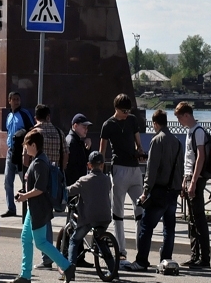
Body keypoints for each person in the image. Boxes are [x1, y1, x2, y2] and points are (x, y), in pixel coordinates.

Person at [12, 130, 76, 283]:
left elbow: (39, 189)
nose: (25, 149)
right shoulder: (39, 160)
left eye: (26, 146)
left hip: (39, 208)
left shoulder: (40, 163)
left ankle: (67, 267)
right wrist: (25, 194)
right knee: (26, 238)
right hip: (34, 207)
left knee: (40, 242)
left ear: (34, 145)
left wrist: (24, 197)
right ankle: (25, 274)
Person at [131, 109, 184, 272]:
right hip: (173, 191)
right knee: (169, 227)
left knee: (146, 226)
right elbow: (180, 168)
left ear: (155, 123)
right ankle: (166, 260)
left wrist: (146, 190)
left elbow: (151, 169)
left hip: (159, 191)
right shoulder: (176, 141)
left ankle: (141, 261)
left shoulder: (157, 140)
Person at [99, 93, 145, 264]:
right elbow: (102, 151)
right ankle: (121, 251)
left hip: (134, 169)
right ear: (116, 109)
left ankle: (142, 250)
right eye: (123, 111)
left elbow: (138, 143)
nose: (126, 113)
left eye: (128, 110)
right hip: (118, 169)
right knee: (118, 213)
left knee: (140, 210)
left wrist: (140, 151)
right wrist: (100, 171)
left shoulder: (132, 120)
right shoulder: (108, 125)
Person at [30, 104, 66, 269]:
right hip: (56, 179)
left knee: (43, 218)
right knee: (49, 215)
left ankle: (48, 257)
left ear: (36, 117)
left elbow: (26, 159)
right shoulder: (59, 132)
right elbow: (66, 155)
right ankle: (53, 256)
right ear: (49, 116)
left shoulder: (34, 133)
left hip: (39, 179)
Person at [175, 101, 210, 268]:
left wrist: (193, 182)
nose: (179, 122)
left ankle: (204, 258)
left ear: (187, 115)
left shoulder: (198, 132)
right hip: (189, 177)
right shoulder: (190, 132)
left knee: (198, 218)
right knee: (192, 219)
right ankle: (194, 255)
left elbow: (200, 157)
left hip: (196, 178)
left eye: (180, 118)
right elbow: (188, 160)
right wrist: (184, 180)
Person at [65, 150, 112, 267]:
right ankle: (112, 268)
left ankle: (70, 269)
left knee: (74, 240)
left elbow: (70, 191)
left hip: (88, 218)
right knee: (100, 240)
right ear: (102, 165)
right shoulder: (107, 180)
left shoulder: (84, 180)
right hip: (105, 217)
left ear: (89, 165)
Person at [3, 92, 34, 217]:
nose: (16, 102)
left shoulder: (24, 114)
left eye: (18, 99)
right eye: (14, 99)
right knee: (7, 181)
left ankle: (32, 206)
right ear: (9, 100)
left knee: (25, 180)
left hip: (22, 153)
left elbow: (32, 130)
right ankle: (11, 208)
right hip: (10, 151)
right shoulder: (9, 116)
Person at [64, 113, 92, 186]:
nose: (86, 130)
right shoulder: (72, 142)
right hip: (73, 184)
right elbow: (72, 166)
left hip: (76, 183)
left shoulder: (77, 141)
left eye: (87, 127)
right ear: (75, 126)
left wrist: (87, 149)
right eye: (84, 127)